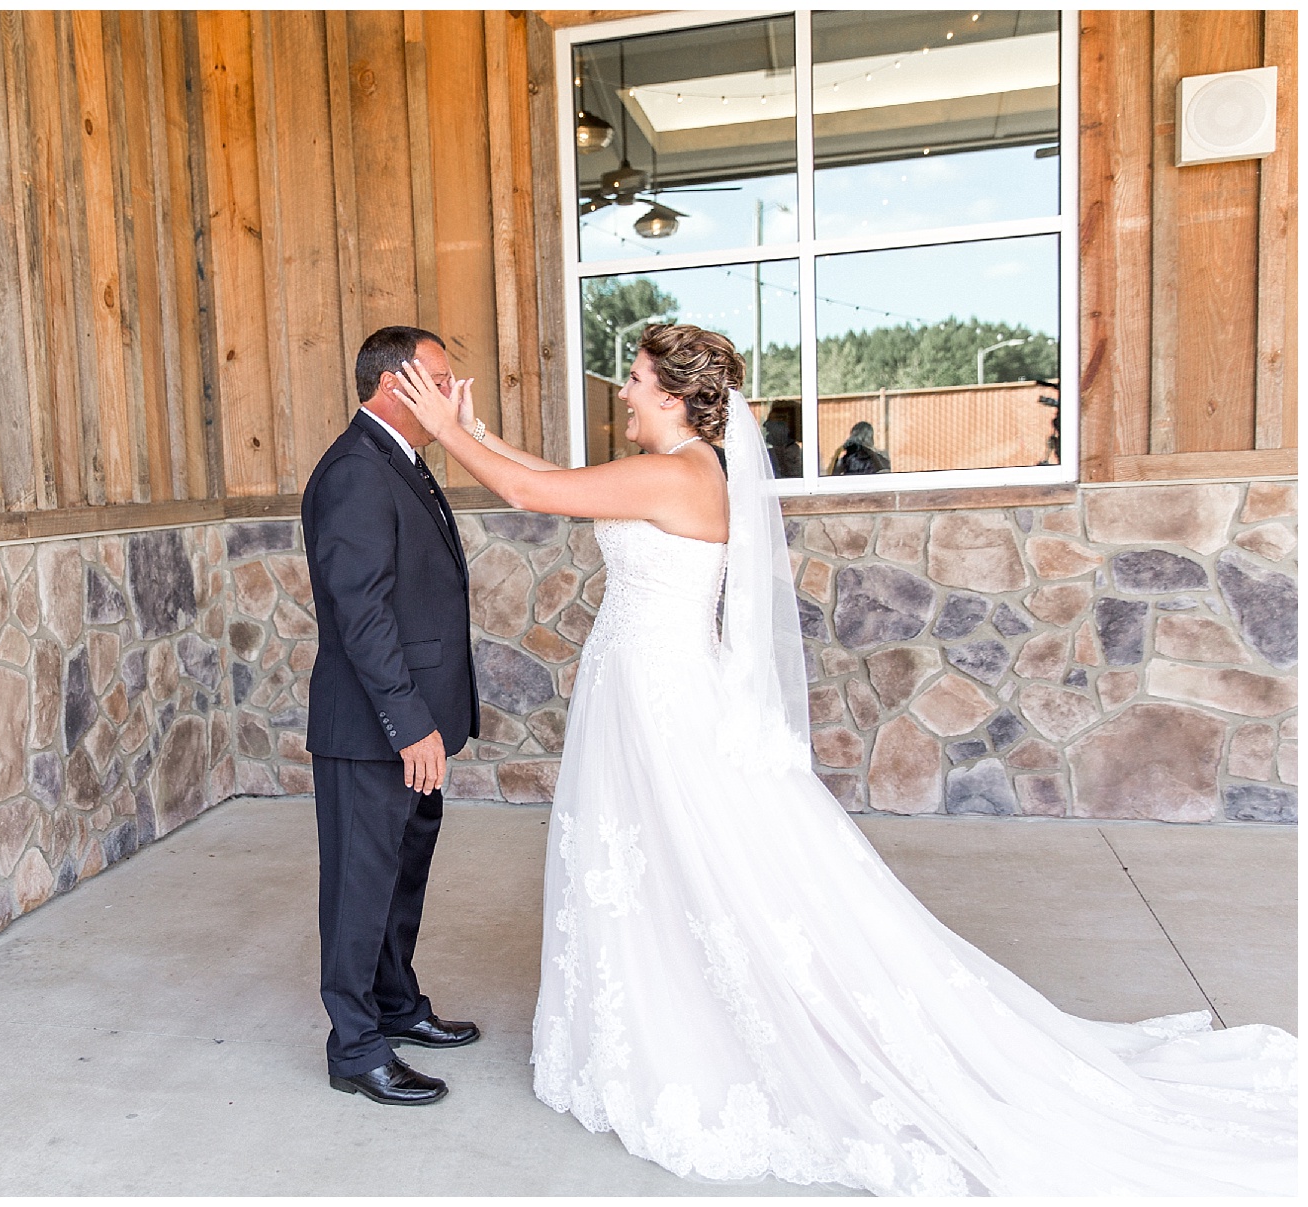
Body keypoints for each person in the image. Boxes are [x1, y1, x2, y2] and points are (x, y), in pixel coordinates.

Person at [390, 323, 1295, 1194]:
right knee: (656, 865)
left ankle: (712, 1039)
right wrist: (471, 429)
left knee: (696, 863)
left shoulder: (677, 476)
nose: (622, 389)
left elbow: (529, 495)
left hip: (663, 702)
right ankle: (669, 1016)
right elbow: (558, 479)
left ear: (671, 396)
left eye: (632, 377)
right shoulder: (667, 469)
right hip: (638, 694)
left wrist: (440, 430)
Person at [299, 325, 483, 1108]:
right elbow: (362, 612)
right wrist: (409, 722)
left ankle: (397, 1004)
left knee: (401, 878)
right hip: (376, 728)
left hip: (416, 724)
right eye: (439, 381)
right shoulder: (353, 471)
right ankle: (357, 1046)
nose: (451, 393)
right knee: (359, 887)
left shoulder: (399, 460)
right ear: (392, 386)